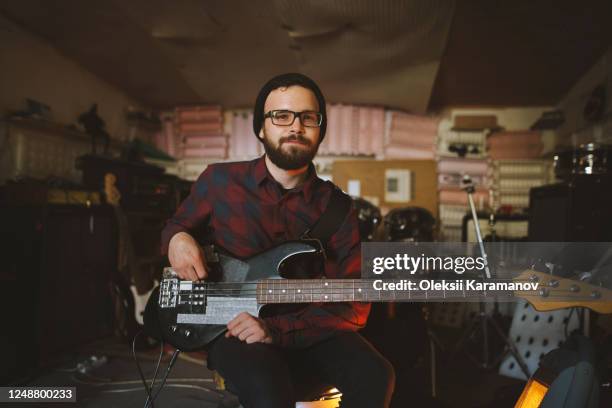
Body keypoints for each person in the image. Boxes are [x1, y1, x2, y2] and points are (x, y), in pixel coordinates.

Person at [161, 73, 394, 407]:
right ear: (261, 127)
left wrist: (278, 330)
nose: (295, 127)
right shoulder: (219, 181)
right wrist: (177, 238)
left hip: (309, 327)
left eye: (308, 117)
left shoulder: (338, 208)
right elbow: (177, 225)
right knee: (268, 388)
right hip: (234, 327)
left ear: (320, 129)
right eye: (281, 116)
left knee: (377, 375)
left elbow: (354, 305)